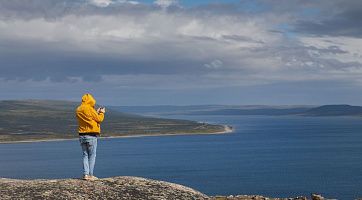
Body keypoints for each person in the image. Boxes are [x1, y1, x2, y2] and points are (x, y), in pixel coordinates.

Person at [76, 93, 106, 181]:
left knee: (85, 155)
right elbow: (99, 119)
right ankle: (91, 175)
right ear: (91, 100)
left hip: (81, 135)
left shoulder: (78, 109)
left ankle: (85, 174)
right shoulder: (89, 108)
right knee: (92, 155)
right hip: (91, 135)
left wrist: (95, 112)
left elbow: (88, 118)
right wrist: (101, 113)